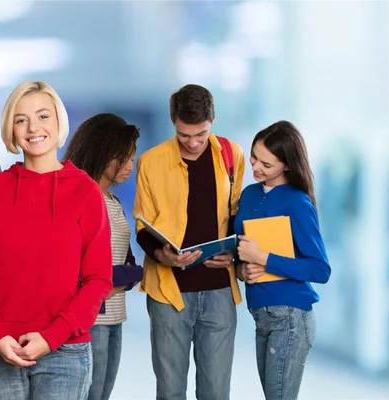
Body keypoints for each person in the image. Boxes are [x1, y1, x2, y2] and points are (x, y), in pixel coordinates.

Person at [0, 81, 113, 400]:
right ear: (11, 129)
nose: (34, 128)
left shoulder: (85, 191)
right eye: (22, 119)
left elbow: (98, 279)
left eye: (43, 116)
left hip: (65, 352)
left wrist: (51, 337)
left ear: (59, 122)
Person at [133, 84, 245, 400]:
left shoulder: (231, 155)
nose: (194, 143)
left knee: (216, 392)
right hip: (169, 294)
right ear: (173, 123)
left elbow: (238, 216)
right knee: (170, 392)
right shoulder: (151, 162)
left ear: (212, 120)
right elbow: (143, 226)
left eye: (202, 134)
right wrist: (164, 256)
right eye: (185, 136)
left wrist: (233, 254)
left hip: (219, 292)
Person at [234, 120, 331, 400]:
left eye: (267, 164)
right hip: (261, 317)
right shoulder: (249, 195)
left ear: (287, 165)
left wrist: (264, 258)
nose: (256, 167)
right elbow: (239, 249)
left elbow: (320, 269)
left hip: (290, 318)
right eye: (254, 157)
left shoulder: (297, 203)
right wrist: (242, 270)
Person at [63, 113, 144, 400]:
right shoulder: (80, 197)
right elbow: (87, 273)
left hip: (114, 317)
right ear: (104, 154)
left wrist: (128, 274)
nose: (129, 167)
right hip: (90, 320)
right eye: (125, 159)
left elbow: (126, 262)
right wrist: (132, 274)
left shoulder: (113, 200)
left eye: (132, 159)